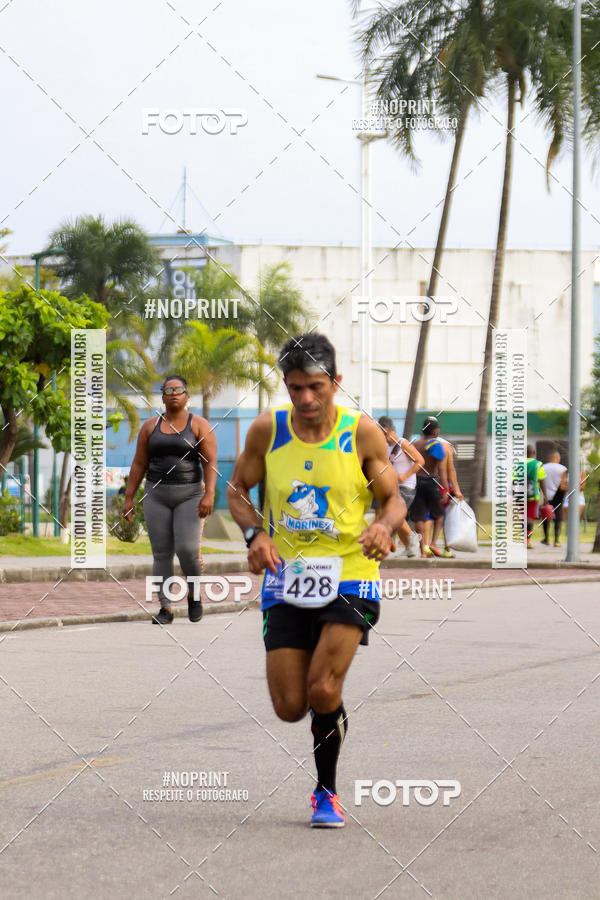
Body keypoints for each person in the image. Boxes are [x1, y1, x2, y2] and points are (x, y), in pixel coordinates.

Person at [227, 333, 405, 828]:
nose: (305, 399)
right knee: (290, 706)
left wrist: (382, 525)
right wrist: (253, 534)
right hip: (286, 577)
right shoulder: (267, 430)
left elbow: (393, 499)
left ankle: (325, 791)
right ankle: (329, 716)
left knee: (322, 688)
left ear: (336, 383)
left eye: (316, 387)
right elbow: (236, 490)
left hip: (351, 573)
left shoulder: (362, 433)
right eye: (295, 387)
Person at [124, 375, 217, 624]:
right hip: (156, 494)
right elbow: (139, 463)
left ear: (187, 396)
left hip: (190, 494)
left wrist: (209, 494)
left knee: (187, 550)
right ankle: (166, 608)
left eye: (179, 389)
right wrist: (129, 497)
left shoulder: (199, 425)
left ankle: (194, 594)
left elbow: (210, 463)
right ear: (163, 396)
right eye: (168, 389)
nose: (174, 393)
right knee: (161, 553)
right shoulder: (149, 427)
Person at [377, 416, 424, 557]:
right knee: (394, 517)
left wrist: (405, 475)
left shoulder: (403, 444)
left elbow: (420, 461)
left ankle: (412, 538)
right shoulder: (386, 447)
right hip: (393, 487)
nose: (383, 437)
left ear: (390, 430)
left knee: (393, 513)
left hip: (407, 487)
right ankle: (410, 546)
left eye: (384, 433)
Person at [410, 417, 450, 558]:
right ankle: (432, 543)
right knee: (439, 515)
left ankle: (422, 551)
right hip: (432, 482)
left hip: (417, 482)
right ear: (435, 431)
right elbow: (442, 470)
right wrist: (445, 489)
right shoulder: (436, 445)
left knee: (419, 518)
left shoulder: (414, 444)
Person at [541, 449, 567, 547]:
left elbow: (540, 481)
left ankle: (546, 538)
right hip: (558, 495)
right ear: (556, 457)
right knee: (558, 517)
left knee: (546, 517)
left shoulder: (543, 467)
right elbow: (564, 484)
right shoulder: (562, 468)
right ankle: (556, 540)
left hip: (546, 496)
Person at [526, 444, 548, 549]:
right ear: (533, 453)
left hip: (520, 495)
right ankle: (527, 541)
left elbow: (513, 480)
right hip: (533, 495)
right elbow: (542, 480)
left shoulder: (518, 464)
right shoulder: (538, 464)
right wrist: (545, 495)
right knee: (529, 518)